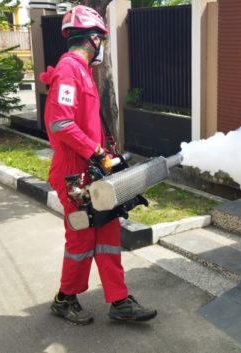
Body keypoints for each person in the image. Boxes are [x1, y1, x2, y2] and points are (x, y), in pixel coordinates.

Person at [39, 5, 157, 325]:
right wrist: (97, 151)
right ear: (93, 39)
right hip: (73, 176)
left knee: (107, 230)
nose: (101, 46)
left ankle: (119, 301)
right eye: (101, 39)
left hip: (92, 171)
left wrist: (106, 155)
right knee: (81, 238)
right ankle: (65, 299)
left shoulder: (83, 72)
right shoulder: (68, 70)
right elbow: (60, 124)